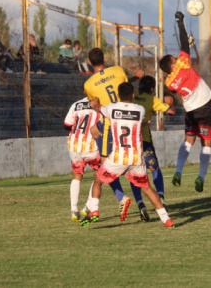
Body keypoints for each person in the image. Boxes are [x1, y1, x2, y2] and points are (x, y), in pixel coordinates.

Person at [80, 82, 174, 228]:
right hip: (136, 158)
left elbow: (97, 108)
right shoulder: (140, 109)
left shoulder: (111, 108)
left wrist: (96, 103)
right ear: (132, 95)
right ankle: (167, 220)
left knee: (98, 180)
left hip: (118, 156)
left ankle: (95, 210)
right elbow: (137, 122)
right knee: (147, 188)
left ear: (118, 95)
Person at [83, 47, 144, 221]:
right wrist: (135, 78)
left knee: (103, 169)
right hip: (127, 121)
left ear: (89, 62)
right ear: (104, 58)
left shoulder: (88, 84)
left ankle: (107, 202)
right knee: (129, 163)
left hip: (110, 124)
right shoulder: (117, 70)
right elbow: (124, 87)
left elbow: (95, 103)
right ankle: (140, 202)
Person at [159, 11, 211, 192]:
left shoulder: (169, 82)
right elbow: (184, 43)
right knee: (206, 142)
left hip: (190, 111)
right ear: (173, 63)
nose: (177, 58)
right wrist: (180, 23)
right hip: (205, 106)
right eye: (174, 59)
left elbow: (178, 80)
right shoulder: (183, 64)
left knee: (188, 141)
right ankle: (200, 176)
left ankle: (178, 171)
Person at [130, 75, 175, 221]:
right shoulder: (152, 100)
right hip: (145, 141)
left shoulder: (132, 95)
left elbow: (122, 85)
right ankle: (160, 197)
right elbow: (170, 111)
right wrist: (170, 103)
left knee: (134, 175)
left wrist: (133, 77)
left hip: (130, 142)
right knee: (154, 169)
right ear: (152, 89)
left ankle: (141, 204)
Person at [63, 96, 102, 222]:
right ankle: (88, 206)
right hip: (92, 146)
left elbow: (66, 125)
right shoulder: (99, 105)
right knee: (100, 175)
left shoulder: (76, 104)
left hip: (74, 145)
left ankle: (74, 209)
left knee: (77, 176)